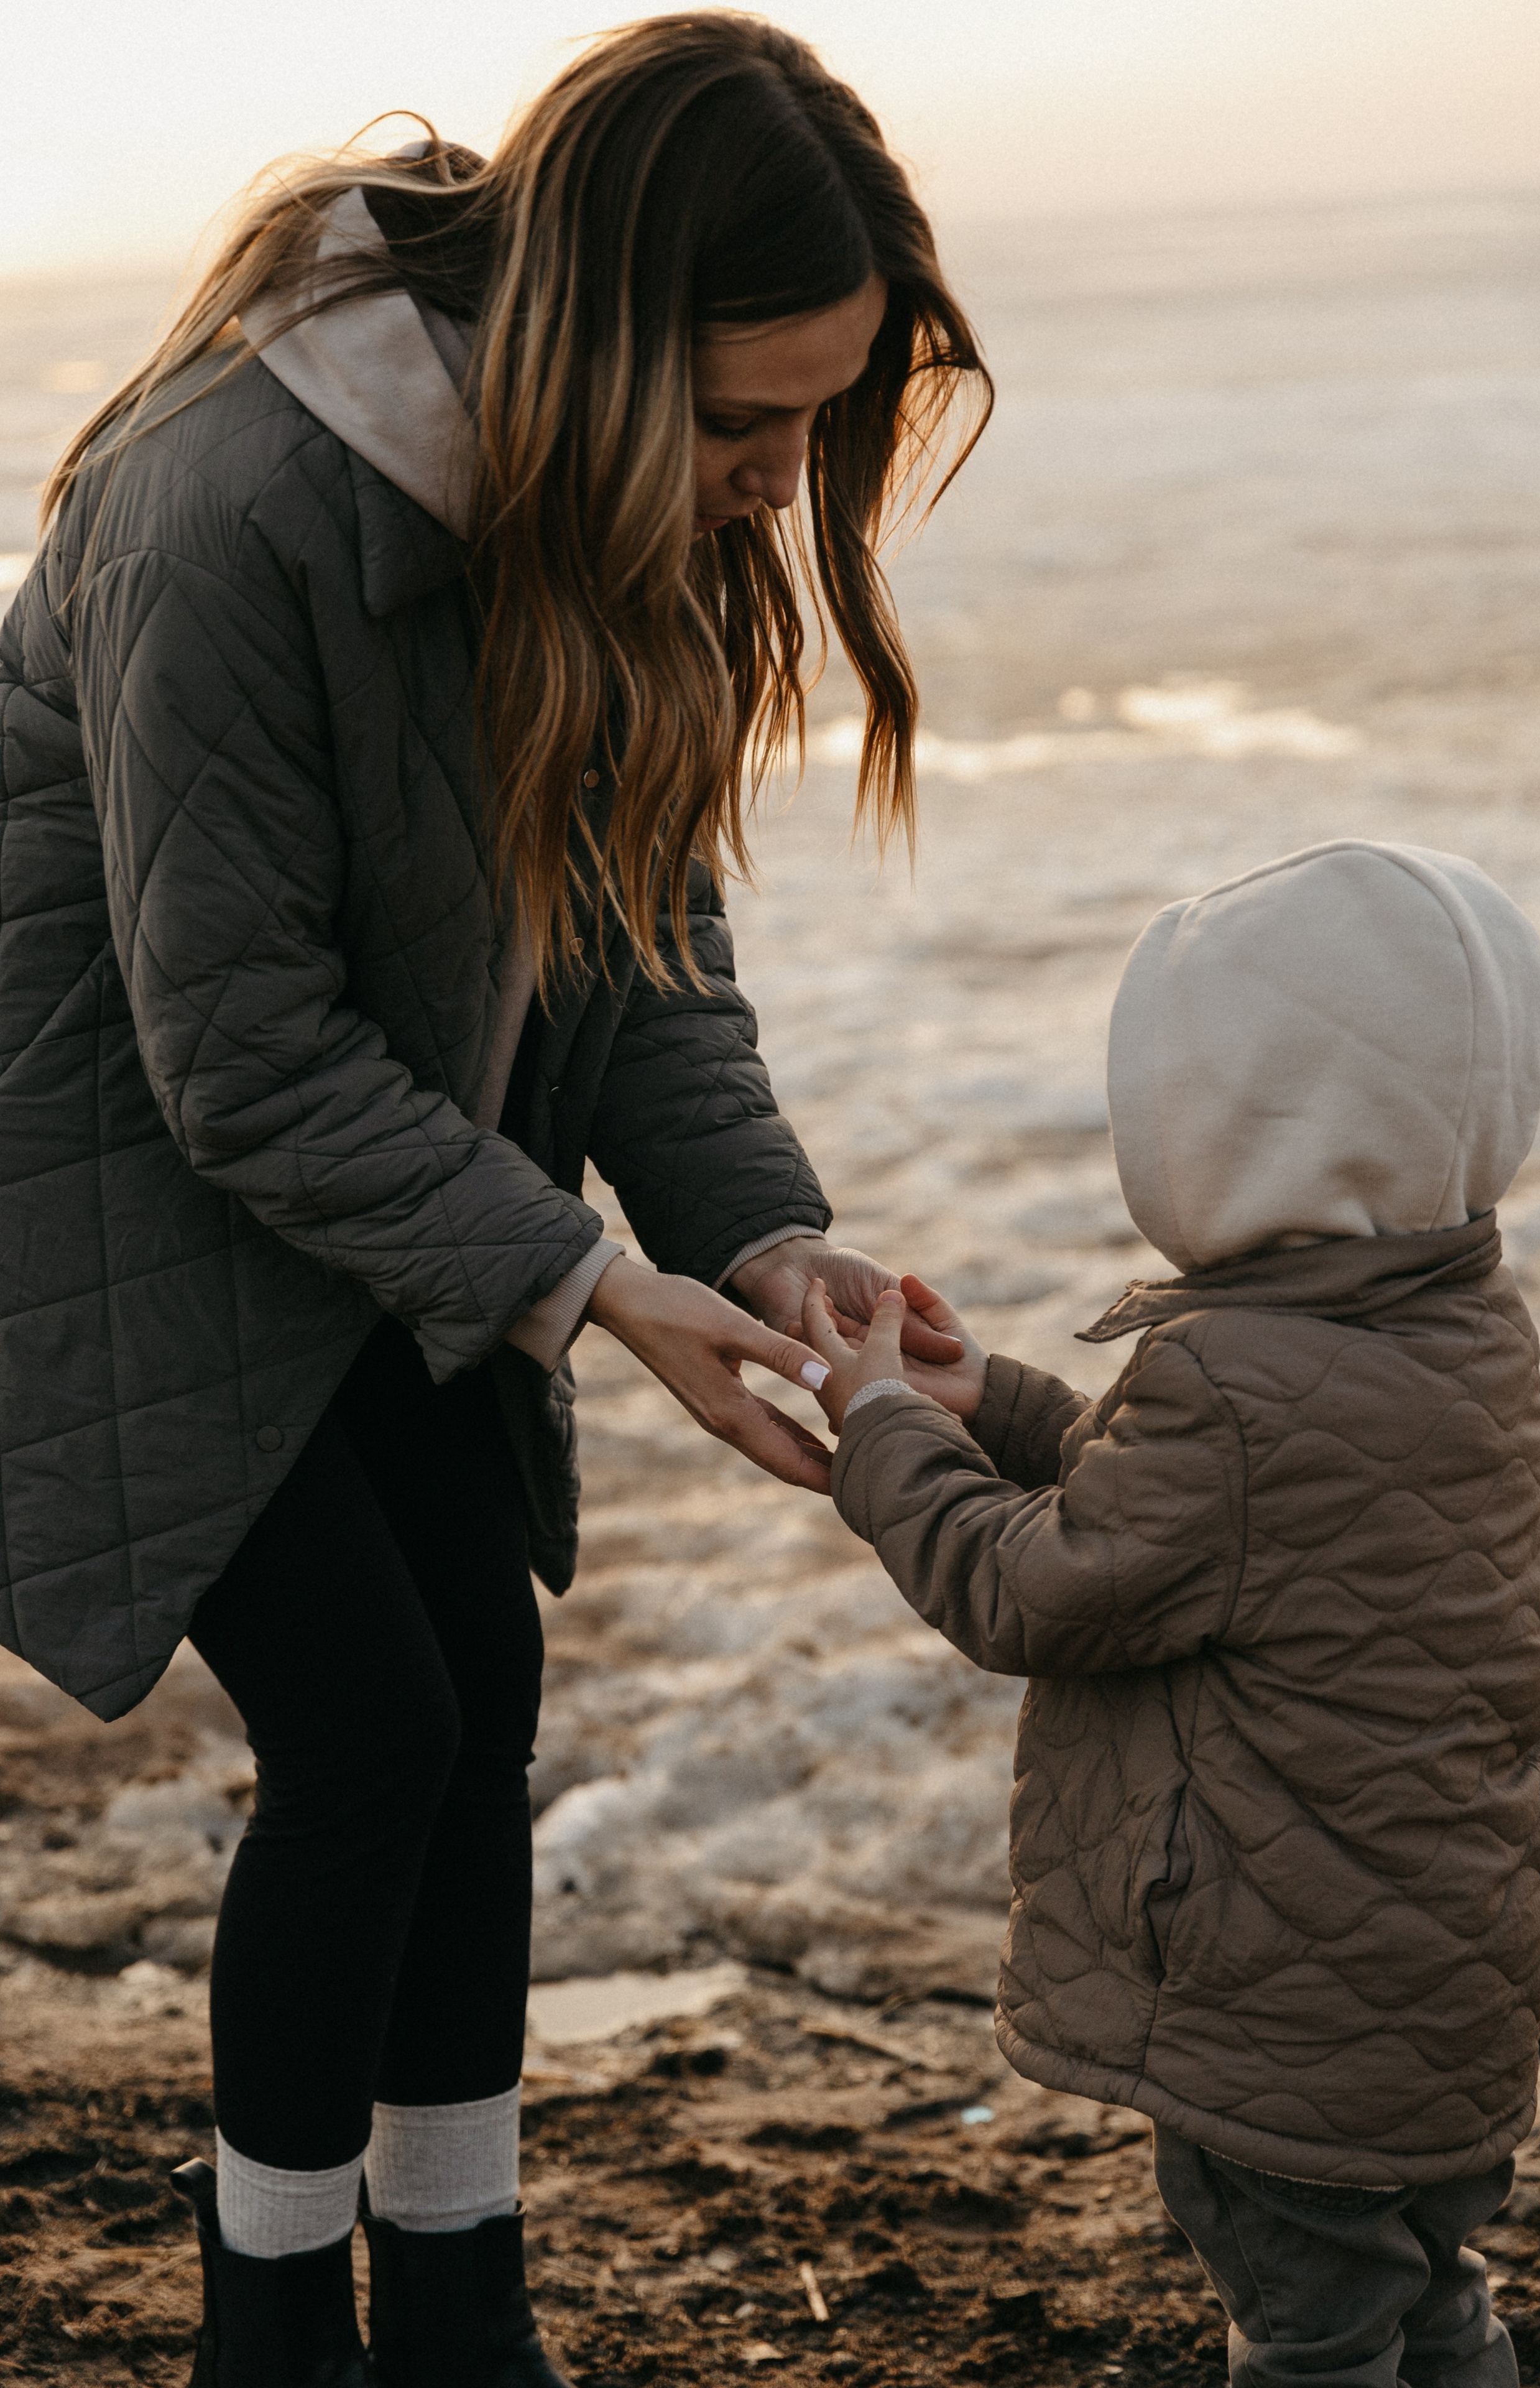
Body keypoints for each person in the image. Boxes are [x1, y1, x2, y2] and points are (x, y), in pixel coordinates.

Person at [0, 17, 989, 2384]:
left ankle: (456, 2295)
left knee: (483, 1697)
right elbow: (227, 1047)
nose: (781, 485)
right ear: (580, 344)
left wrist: (757, 1241)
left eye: (818, 428)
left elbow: (640, 933)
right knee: (367, 1727)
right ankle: (271, 2330)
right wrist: (587, 1282)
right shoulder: (232, 506)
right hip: (98, 1184)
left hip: (382, 1159)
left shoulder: (605, 505)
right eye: (745, 421)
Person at [800, 840, 1540, 2388]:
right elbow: (1215, 1519)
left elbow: (1035, 1590)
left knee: (1308, 2337)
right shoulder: (1463, 1329)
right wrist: (995, 1401)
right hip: (1436, 1989)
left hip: (1281, 2015)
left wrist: (882, 1428)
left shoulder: (1224, 1383)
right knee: (1425, 2296)